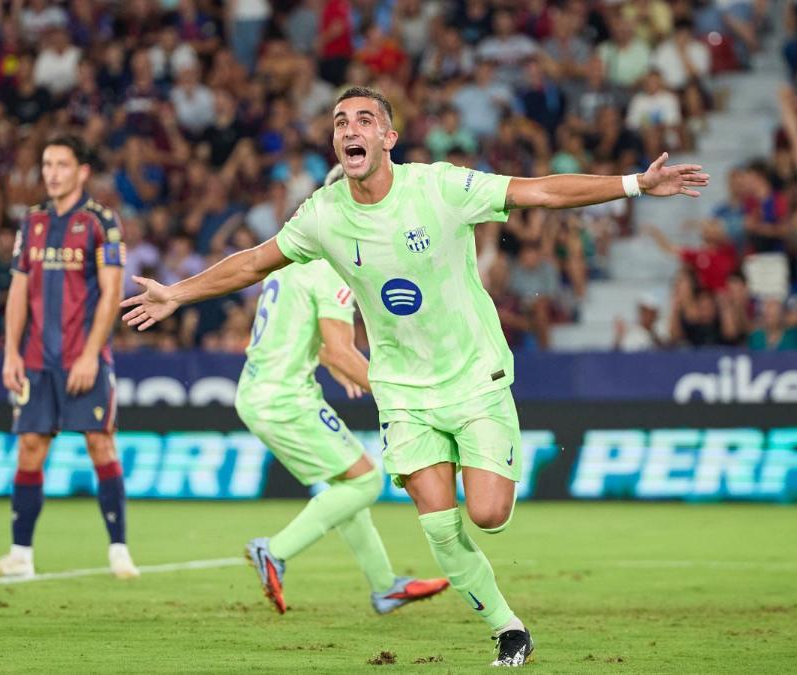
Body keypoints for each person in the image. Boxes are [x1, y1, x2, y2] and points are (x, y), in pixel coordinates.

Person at [122, 86, 707, 667]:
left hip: (476, 377)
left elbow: (539, 191)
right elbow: (252, 261)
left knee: (487, 515)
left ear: (388, 138)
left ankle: (468, 533)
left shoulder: (438, 187)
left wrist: (633, 184)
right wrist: (177, 293)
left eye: (364, 120)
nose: (351, 129)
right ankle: (508, 630)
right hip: (402, 394)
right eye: (340, 122)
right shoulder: (323, 215)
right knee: (438, 524)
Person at [239, 165, 449, 615]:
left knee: (346, 484)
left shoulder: (291, 258)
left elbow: (312, 338)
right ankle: (273, 550)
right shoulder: (329, 265)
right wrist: (393, 390)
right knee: (367, 479)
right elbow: (338, 349)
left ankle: (384, 586)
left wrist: (337, 363)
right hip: (285, 398)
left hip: (262, 389)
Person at [0, 135, 138, 581]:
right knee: (30, 449)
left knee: (99, 442)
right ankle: (20, 555)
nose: (52, 172)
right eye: (47, 164)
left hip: (83, 358)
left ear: (82, 171)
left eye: (62, 164)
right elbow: (18, 292)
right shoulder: (31, 223)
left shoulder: (103, 222)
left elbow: (112, 293)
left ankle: (119, 550)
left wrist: (90, 355)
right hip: (35, 360)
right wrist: (10, 352)